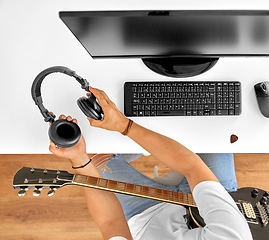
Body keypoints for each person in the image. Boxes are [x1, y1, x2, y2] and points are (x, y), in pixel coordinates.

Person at [49, 86, 253, 240]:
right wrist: (124, 126)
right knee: (214, 119)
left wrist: (79, 159)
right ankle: (145, 142)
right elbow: (192, 167)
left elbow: (111, 222)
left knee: (94, 153)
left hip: (145, 214)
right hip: (212, 204)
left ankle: (140, 147)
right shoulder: (231, 237)